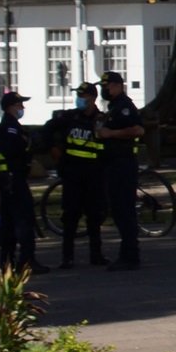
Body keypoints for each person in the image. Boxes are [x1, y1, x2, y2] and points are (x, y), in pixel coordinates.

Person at [49, 83, 110, 267]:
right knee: (70, 217)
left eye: (83, 96)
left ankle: (96, 255)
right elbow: (48, 129)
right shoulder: (69, 117)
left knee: (94, 216)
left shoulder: (100, 120)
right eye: (79, 95)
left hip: (93, 174)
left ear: (92, 97)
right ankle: (67, 258)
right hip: (72, 174)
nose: (80, 99)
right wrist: (53, 147)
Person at [96, 70, 145, 270]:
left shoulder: (125, 106)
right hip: (113, 164)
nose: (104, 90)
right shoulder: (113, 106)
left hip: (123, 164)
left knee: (124, 209)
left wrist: (112, 133)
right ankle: (127, 253)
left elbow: (138, 129)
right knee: (118, 209)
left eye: (107, 86)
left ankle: (130, 255)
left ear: (117, 86)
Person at [0, 90, 40, 273]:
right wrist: (27, 143)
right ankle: (26, 261)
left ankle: (7, 261)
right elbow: (13, 152)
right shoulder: (10, 128)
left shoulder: (10, 126)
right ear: (11, 107)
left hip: (9, 180)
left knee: (9, 223)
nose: (22, 108)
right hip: (14, 180)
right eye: (20, 105)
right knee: (24, 220)